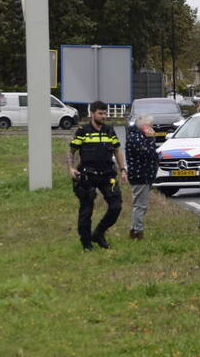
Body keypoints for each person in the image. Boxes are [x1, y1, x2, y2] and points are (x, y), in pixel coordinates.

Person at [68, 100, 126, 250]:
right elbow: (72, 150)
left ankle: (99, 233)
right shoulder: (83, 130)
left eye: (105, 113)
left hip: (107, 174)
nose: (104, 116)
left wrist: (123, 169)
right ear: (92, 114)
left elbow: (117, 150)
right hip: (88, 175)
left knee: (116, 206)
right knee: (86, 210)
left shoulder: (109, 130)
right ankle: (86, 243)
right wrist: (71, 168)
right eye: (100, 113)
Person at [125, 113, 159, 240]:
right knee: (140, 206)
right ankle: (137, 232)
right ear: (144, 126)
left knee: (139, 205)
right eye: (150, 126)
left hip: (145, 175)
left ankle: (134, 229)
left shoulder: (139, 136)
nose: (152, 128)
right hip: (140, 176)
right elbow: (148, 153)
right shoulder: (136, 138)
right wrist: (151, 139)